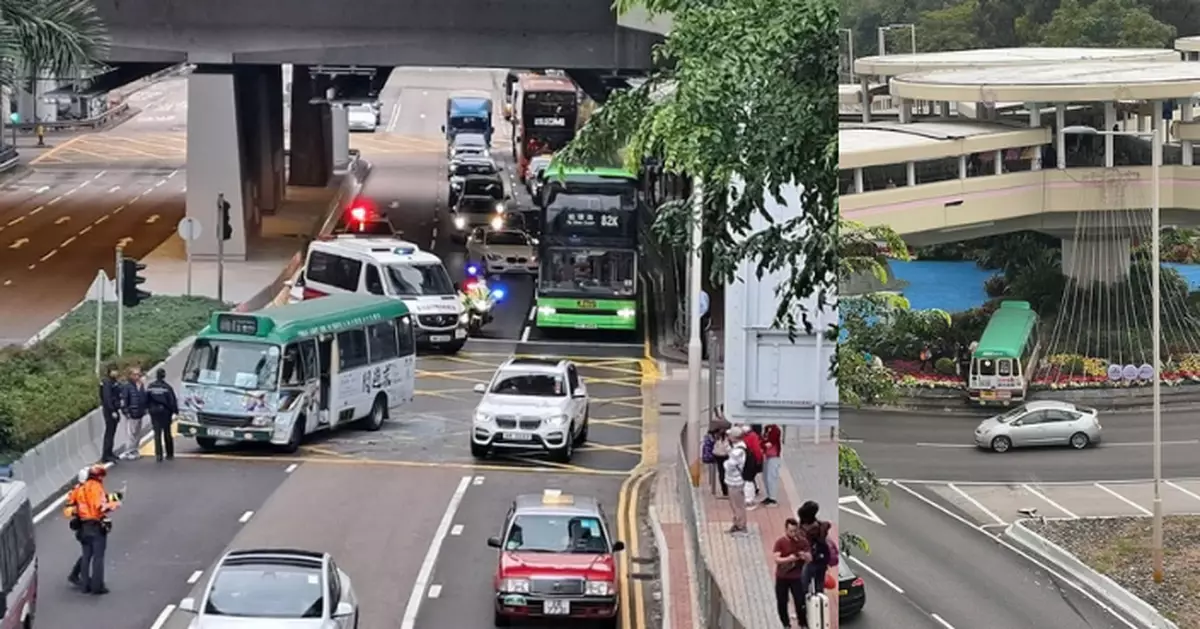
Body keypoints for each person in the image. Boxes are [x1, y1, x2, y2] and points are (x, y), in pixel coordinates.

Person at [64, 465, 120, 594]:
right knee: (98, 557)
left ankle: (84, 585)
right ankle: (97, 586)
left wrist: (115, 497)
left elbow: (68, 509)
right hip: (96, 525)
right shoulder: (95, 487)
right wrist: (115, 504)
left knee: (86, 555)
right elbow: (101, 506)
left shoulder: (77, 490)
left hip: (83, 528)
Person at [773, 518, 811, 629]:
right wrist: (789, 559)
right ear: (786, 530)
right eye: (791, 531)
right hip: (782, 577)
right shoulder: (780, 542)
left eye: (795, 531)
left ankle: (803, 623)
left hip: (796, 577)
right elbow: (776, 559)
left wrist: (804, 555)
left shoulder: (802, 542)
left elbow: (809, 558)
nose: (793, 533)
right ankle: (786, 624)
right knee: (782, 601)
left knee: (800, 601)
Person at [145, 368, 178, 461]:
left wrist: (148, 409)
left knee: (157, 434)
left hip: (154, 413)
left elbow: (146, 399)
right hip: (165, 413)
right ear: (164, 376)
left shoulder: (150, 386)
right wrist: (175, 411)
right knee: (167, 433)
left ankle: (158, 455)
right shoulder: (167, 387)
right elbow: (172, 401)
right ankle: (169, 454)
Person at [64, 467, 89, 587]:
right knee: (89, 551)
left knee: (89, 552)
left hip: (90, 525)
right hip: (84, 527)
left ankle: (76, 575)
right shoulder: (78, 493)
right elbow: (68, 510)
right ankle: (78, 576)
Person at [723, 427, 749, 534]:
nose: (728, 437)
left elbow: (729, 465)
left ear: (734, 438)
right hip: (735, 480)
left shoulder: (737, 452)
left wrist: (725, 462)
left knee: (737, 505)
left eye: (730, 435)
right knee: (737, 504)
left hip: (735, 482)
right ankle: (738, 523)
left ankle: (740, 525)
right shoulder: (740, 448)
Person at [121, 366, 148, 460]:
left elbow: (143, 398)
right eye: (135, 374)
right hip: (131, 413)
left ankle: (135, 449)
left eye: (138, 374)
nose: (137, 376)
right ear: (130, 375)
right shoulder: (127, 386)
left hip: (139, 413)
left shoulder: (141, 386)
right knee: (130, 433)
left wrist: (145, 409)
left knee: (137, 433)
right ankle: (128, 451)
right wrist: (126, 411)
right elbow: (124, 400)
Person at [99, 365, 122, 464]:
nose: (116, 373)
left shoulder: (114, 381)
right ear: (109, 371)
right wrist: (112, 410)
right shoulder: (107, 382)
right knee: (109, 432)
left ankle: (110, 452)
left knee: (112, 432)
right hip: (109, 411)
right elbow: (107, 398)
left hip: (114, 409)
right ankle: (106, 455)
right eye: (114, 371)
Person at [701, 423, 731, 497]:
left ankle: (725, 491)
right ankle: (727, 490)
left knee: (721, 473)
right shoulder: (727, 435)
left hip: (718, 455)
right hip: (726, 455)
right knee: (726, 473)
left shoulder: (713, 436)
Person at [742, 424, 764, 507]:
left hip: (744, 459)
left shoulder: (742, 437)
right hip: (751, 459)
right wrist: (759, 460)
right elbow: (756, 449)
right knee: (749, 480)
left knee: (746, 479)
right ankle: (749, 499)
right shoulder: (753, 436)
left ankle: (748, 498)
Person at [761, 424, 783, 506]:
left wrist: (762, 445)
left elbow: (770, 442)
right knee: (765, 477)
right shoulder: (766, 428)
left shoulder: (775, 430)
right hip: (767, 456)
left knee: (771, 477)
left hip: (773, 456)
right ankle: (769, 495)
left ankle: (773, 498)